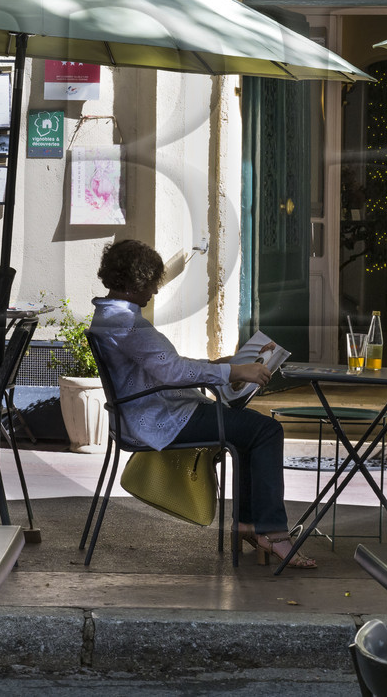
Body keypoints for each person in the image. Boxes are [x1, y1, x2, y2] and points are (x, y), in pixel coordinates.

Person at [89, 238, 316, 569]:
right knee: (265, 430)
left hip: (154, 412)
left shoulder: (109, 314)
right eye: (149, 285)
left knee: (251, 431)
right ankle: (272, 531)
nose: (152, 292)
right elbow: (172, 369)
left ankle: (250, 524)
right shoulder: (126, 322)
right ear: (135, 281)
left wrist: (221, 365)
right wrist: (235, 370)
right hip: (162, 419)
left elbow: (165, 365)